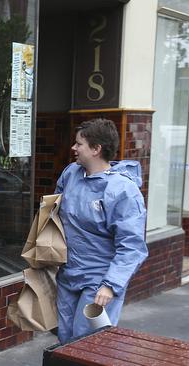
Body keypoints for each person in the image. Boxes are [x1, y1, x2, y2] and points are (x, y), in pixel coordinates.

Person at [55, 118, 148, 344]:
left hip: (99, 281)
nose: (73, 148)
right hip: (68, 275)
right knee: (65, 340)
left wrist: (110, 285)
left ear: (96, 149)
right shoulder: (71, 174)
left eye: (79, 144)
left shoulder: (123, 190)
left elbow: (132, 246)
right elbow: (52, 212)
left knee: (87, 342)